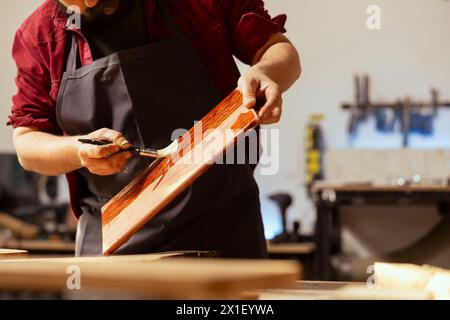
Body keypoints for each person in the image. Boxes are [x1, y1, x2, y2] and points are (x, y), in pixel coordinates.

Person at [8, 0, 301, 257]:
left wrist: (266, 73)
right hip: (114, 248)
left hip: (223, 234)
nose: (86, 3)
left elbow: (276, 49)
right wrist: (77, 151)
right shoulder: (39, 36)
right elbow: (26, 142)